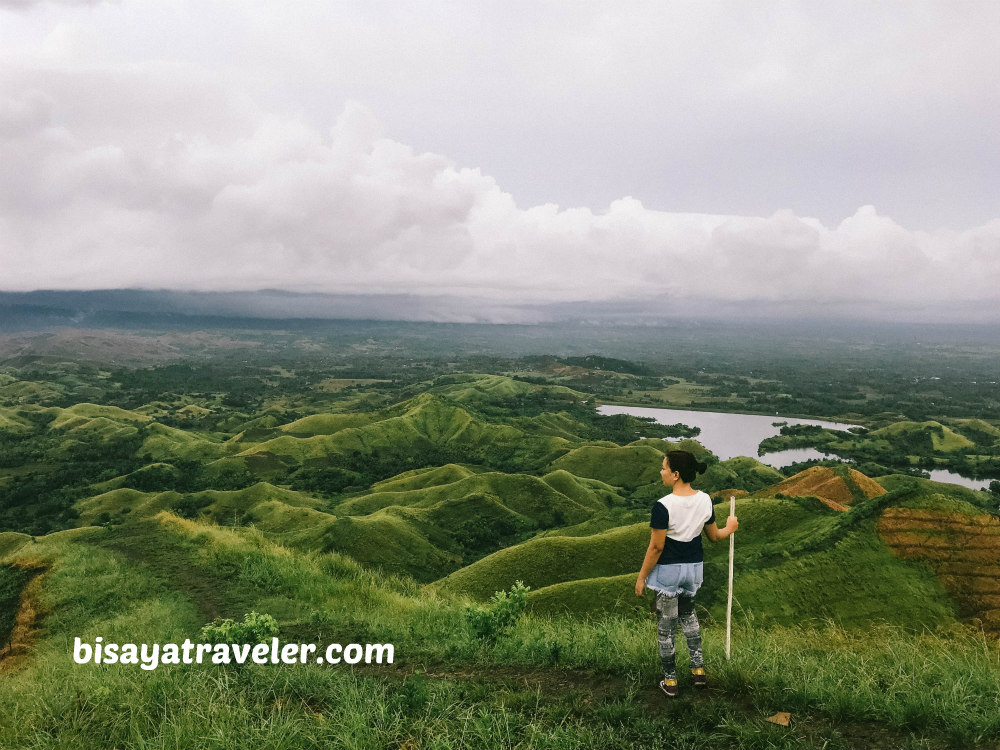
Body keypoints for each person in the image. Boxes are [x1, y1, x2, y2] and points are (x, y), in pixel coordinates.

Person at [634, 450, 738, 697]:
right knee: (689, 617)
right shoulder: (704, 500)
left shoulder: (663, 506)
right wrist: (730, 528)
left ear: (675, 474)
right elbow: (714, 537)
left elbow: (656, 547)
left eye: (664, 468)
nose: (661, 472)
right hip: (693, 571)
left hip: (669, 573)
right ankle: (698, 671)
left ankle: (670, 682)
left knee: (666, 627)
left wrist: (641, 578)